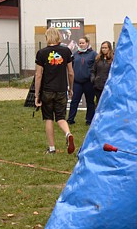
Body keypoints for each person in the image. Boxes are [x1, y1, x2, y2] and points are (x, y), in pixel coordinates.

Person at [35, 27, 75, 155]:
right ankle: (68, 133)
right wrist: (71, 88)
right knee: (61, 117)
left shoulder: (41, 53)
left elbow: (38, 75)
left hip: (47, 90)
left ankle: (51, 148)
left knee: (48, 118)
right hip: (61, 89)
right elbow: (71, 73)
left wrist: (36, 94)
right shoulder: (66, 51)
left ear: (47, 37)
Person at [67, 37, 96, 126]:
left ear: (87, 43)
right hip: (77, 82)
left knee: (90, 102)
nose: (81, 44)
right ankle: (70, 119)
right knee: (74, 101)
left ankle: (89, 120)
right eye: (79, 43)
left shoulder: (93, 54)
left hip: (88, 82)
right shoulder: (75, 54)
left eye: (83, 43)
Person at [89, 41, 113, 124]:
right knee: (99, 103)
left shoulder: (113, 60)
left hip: (108, 86)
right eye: (102, 48)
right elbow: (93, 70)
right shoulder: (98, 59)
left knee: (108, 104)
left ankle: (108, 121)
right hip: (98, 85)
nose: (104, 49)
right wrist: (93, 78)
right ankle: (98, 121)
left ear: (109, 48)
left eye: (105, 48)